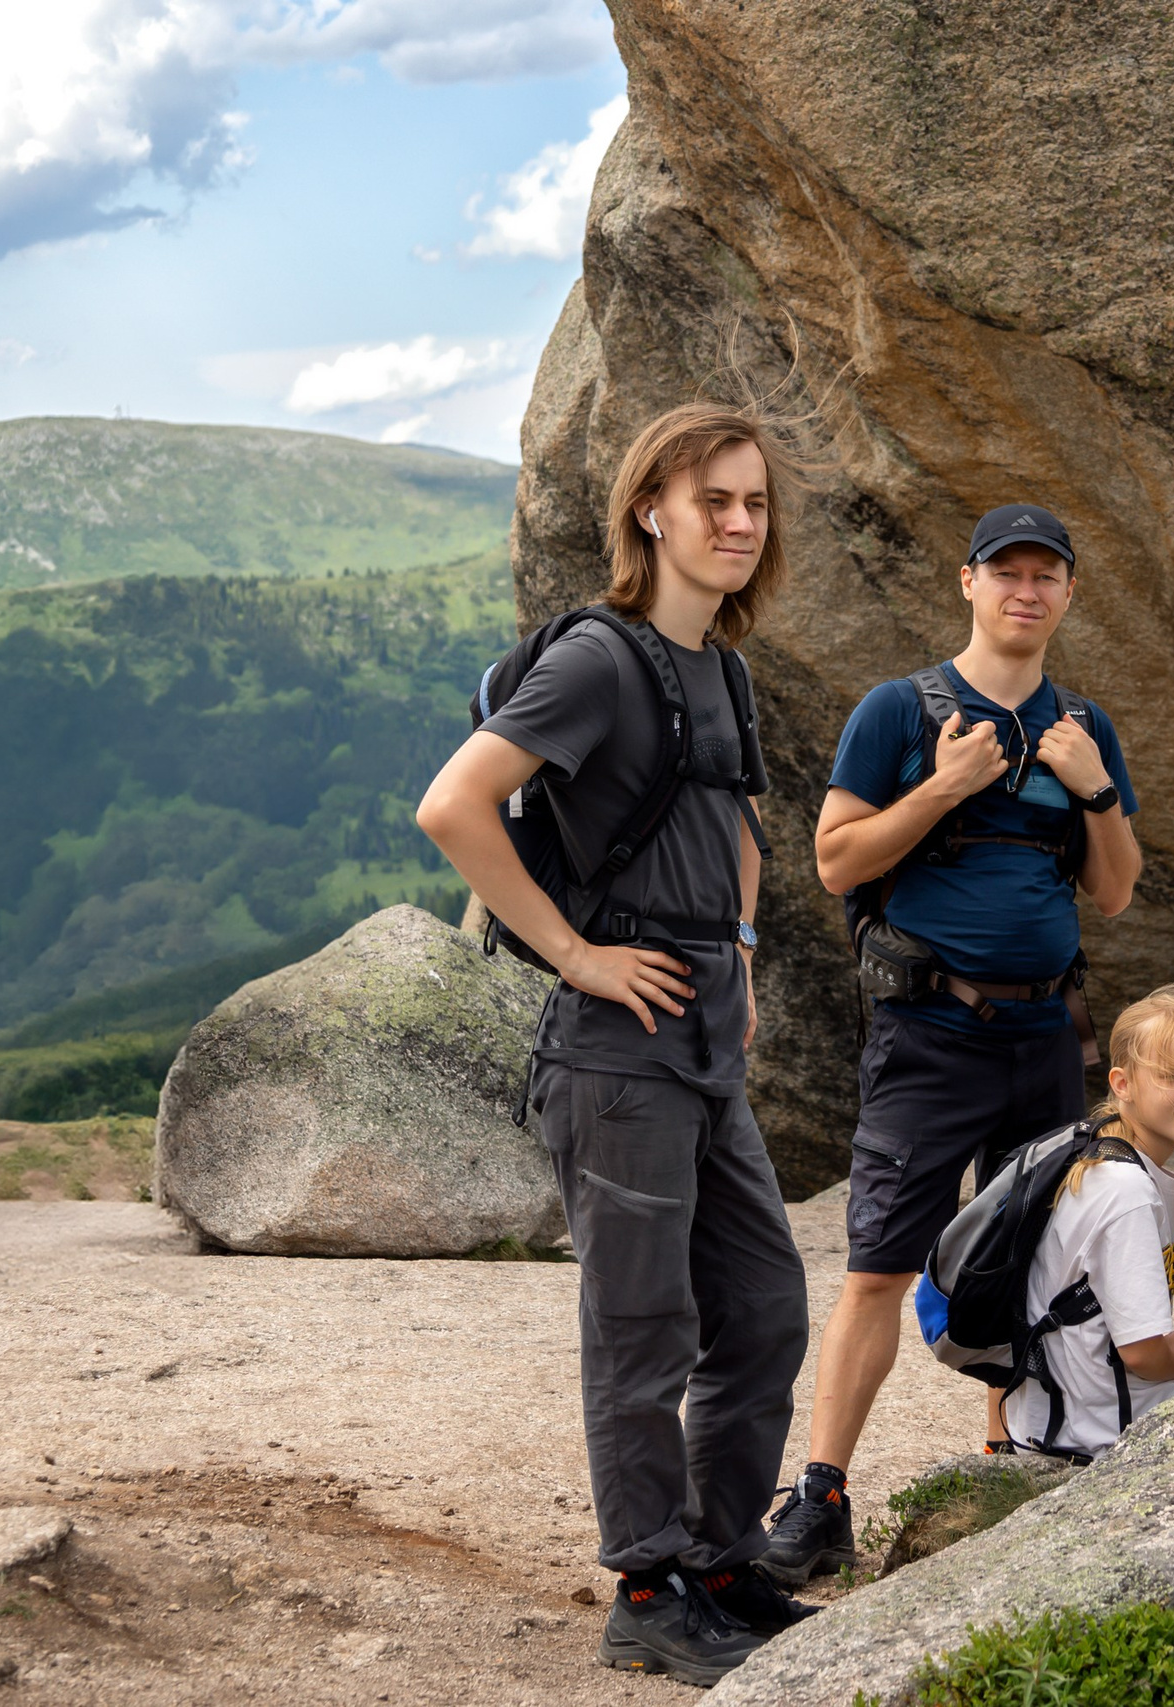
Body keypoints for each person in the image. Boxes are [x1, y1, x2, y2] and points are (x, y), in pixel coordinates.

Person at [415, 401, 813, 1687]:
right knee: (643, 1329)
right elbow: (453, 804)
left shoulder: (726, 668)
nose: (741, 525)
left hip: (698, 1033)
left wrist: (741, 950)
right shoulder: (601, 659)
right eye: (716, 502)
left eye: (756, 504)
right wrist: (577, 955)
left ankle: (717, 1559)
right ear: (652, 509)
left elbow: (737, 825)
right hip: (612, 1043)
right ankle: (647, 1586)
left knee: (759, 1308)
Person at [760, 503, 1143, 1583]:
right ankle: (819, 1494)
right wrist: (944, 785)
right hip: (928, 1033)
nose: (1027, 591)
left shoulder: (1085, 727)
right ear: (966, 583)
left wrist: (1095, 788)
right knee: (879, 1265)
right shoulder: (898, 710)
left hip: (1042, 1032)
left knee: (1028, 1262)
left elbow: (1113, 892)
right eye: (1006, 572)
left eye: (1047, 575)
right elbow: (836, 861)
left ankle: (1005, 1464)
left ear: (1067, 594)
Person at [1001, 981, 1174, 1461]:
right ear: (1122, 1084)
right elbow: (1145, 1356)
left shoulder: (1096, 1152)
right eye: (1173, 1076)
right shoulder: (1127, 1192)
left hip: (1064, 1418)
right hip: (1104, 1437)